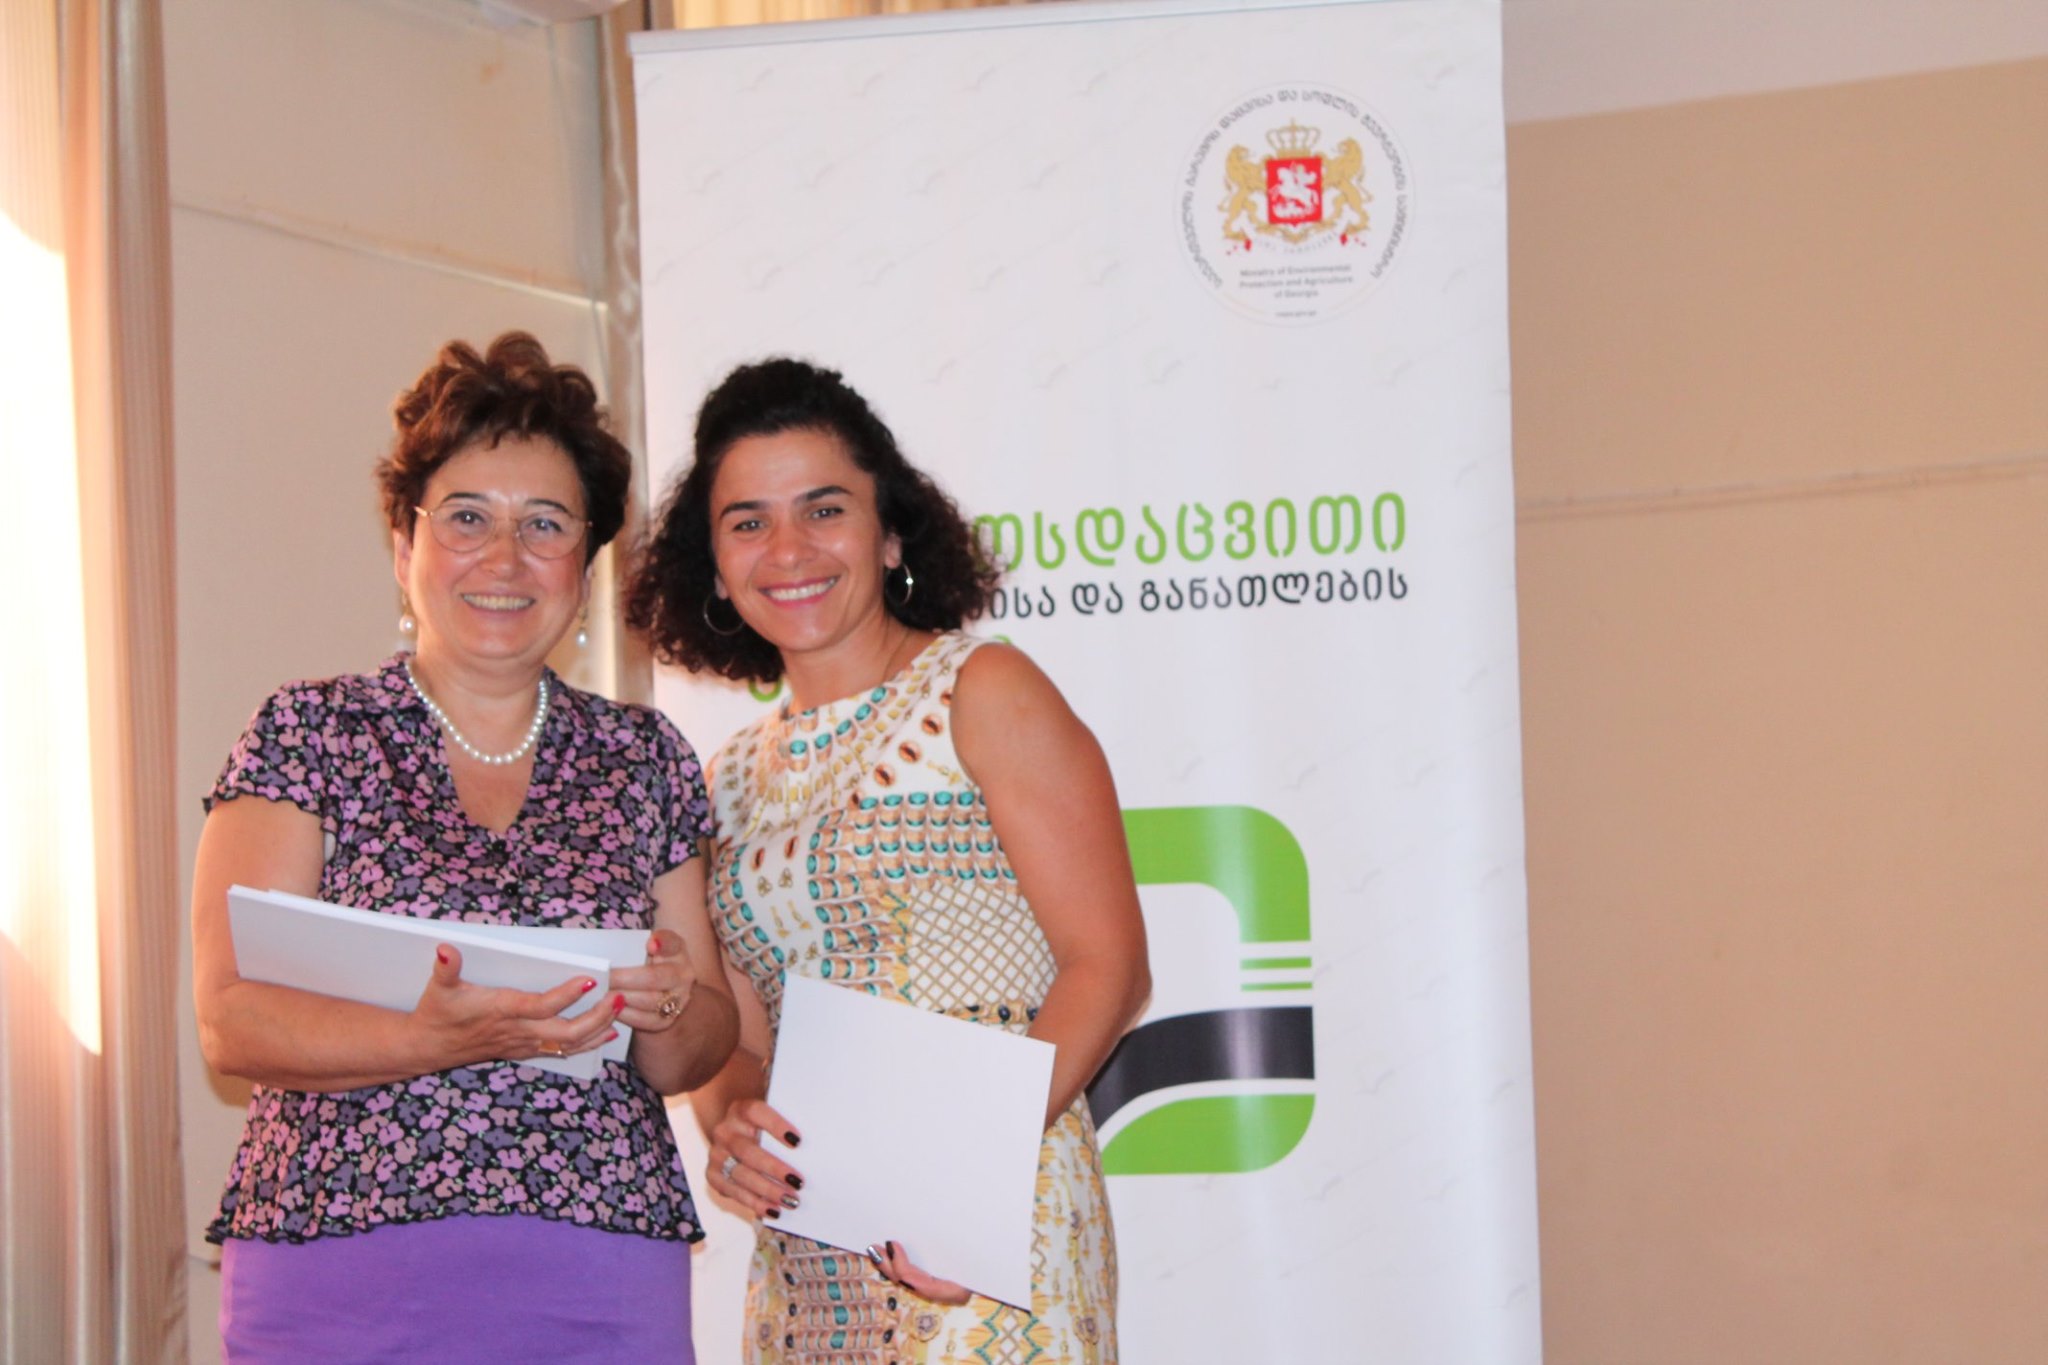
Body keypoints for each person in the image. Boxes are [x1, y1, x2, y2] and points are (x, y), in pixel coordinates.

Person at [190, 332, 737, 1361]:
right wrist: (438, 1036)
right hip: (338, 1264)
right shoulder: (309, 730)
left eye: (545, 525)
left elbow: (691, 1044)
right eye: (467, 517)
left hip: (598, 1269)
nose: (504, 556)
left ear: (584, 566)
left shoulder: (645, 756)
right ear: (405, 547)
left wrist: (669, 1005)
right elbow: (233, 1020)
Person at [625, 358, 1151, 1364]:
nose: (788, 549)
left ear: (890, 532)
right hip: (811, 1260)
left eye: (823, 509)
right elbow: (739, 1041)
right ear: (714, 565)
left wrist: (958, 1181)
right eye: (747, 522)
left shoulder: (982, 689)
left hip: (989, 1223)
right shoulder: (723, 783)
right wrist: (732, 1127)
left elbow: (1110, 965)